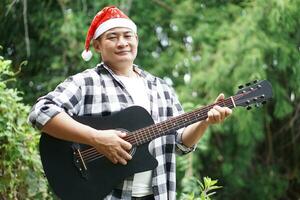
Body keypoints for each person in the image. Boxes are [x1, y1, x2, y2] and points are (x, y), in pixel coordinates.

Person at [28, 6, 232, 200]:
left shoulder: (161, 88)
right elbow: (41, 112)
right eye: (112, 37)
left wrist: (204, 121)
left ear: (136, 40)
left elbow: (180, 144)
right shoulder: (87, 82)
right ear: (97, 45)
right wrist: (96, 138)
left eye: (127, 36)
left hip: (158, 193)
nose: (122, 43)